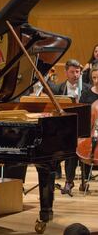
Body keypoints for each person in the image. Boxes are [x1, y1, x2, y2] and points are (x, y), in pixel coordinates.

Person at [49, 59, 90, 195]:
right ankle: (67, 180)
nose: (75, 75)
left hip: (83, 128)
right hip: (64, 128)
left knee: (73, 146)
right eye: (72, 72)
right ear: (66, 72)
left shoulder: (87, 88)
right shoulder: (58, 89)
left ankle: (71, 180)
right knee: (66, 145)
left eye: (77, 72)